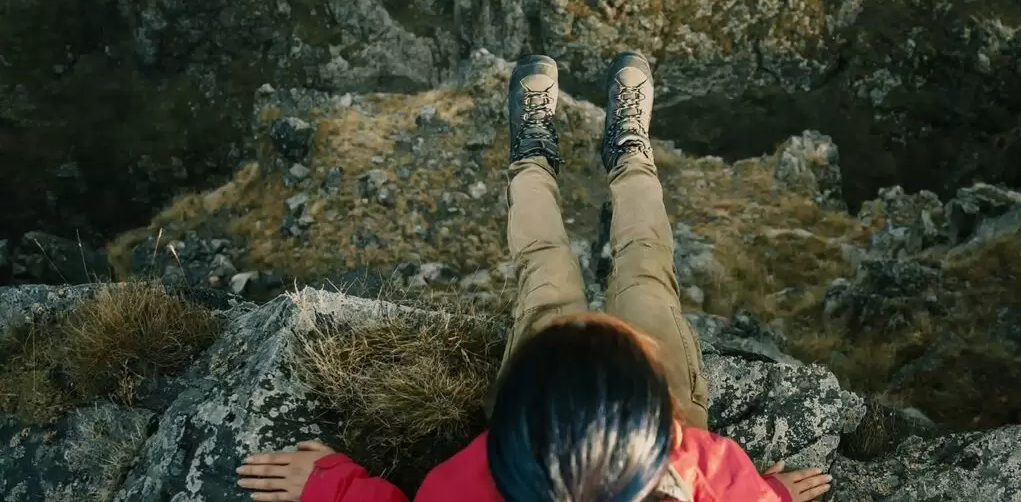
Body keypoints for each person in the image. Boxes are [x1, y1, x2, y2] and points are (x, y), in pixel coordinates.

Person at [235, 52, 834, 502]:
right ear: (659, 438)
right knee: (647, 272)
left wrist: (330, 489)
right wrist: (773, 495)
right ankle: (629, 155)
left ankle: (532, 157)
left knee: (544, 264)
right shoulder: (696, 463)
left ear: (505, 431)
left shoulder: (467, 483)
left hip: (589, 403)